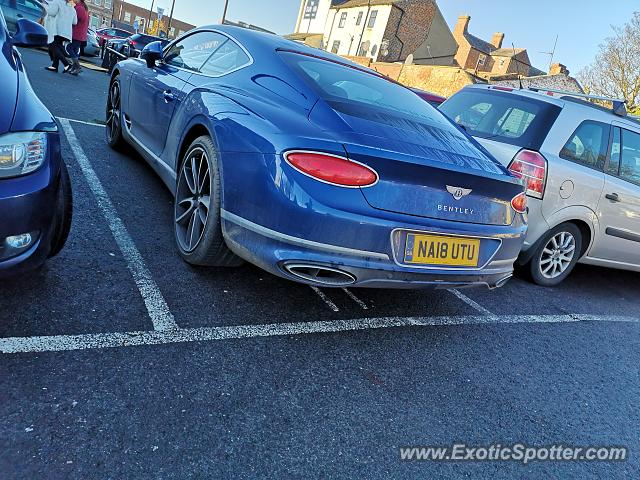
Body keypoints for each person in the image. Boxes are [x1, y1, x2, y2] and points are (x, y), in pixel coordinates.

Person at [43, 0, 77, 73]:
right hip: (66, 32)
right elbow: (75, 21)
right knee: (57, 47)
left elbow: (52, 13)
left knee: (52, 46)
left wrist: (45, 6)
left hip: (58, 29)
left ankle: (67, 64)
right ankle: (54, 66)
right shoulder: (71, 5)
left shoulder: (57, 1)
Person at [68, 0, 89, 75]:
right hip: (81, 34)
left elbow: (74, 20)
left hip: (77, 33)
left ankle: (78, 67)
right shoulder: (84, 8)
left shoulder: (79, 8)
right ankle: (74, 69)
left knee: (69, 48)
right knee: (75, 50)